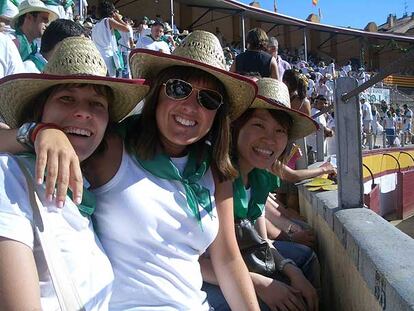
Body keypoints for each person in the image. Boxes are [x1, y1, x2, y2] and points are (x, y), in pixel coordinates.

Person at [0, 30, 261, 310]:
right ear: (157, 92)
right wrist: (39, 131)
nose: (190, 106)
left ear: (216, 114)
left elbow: (227, 259)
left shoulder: (214, 169)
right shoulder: (112, 147)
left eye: (208, 99)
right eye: (178, 88)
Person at [0, 36, 149, 310]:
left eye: (97, 104)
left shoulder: (85, 192)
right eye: (67, 98)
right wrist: (36, 131)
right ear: (40, 110)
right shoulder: (9, 176)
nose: (82, 113)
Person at [201, 78, 319, 311]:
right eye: (258, 125)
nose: (270, 139)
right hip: (205, 273)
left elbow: (261, 241)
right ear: (236, 126)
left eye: (279, 131)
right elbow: (201, 260)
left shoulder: (261, 176)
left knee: (304, 263)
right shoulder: (214, 175)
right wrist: (260, 284)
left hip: (239, 260)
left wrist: (290, 269)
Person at [10, 0, 58, 72]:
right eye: (44, 19)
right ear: (29, 17)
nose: (47, 25)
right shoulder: (11, 42)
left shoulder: (34, 47)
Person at [91, 0, 130, 77]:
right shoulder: (108, 21)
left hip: (97, 56)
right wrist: (118, 19)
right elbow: (127, 29)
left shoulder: (95, 26)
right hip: (108, 56)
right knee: (110, 80)